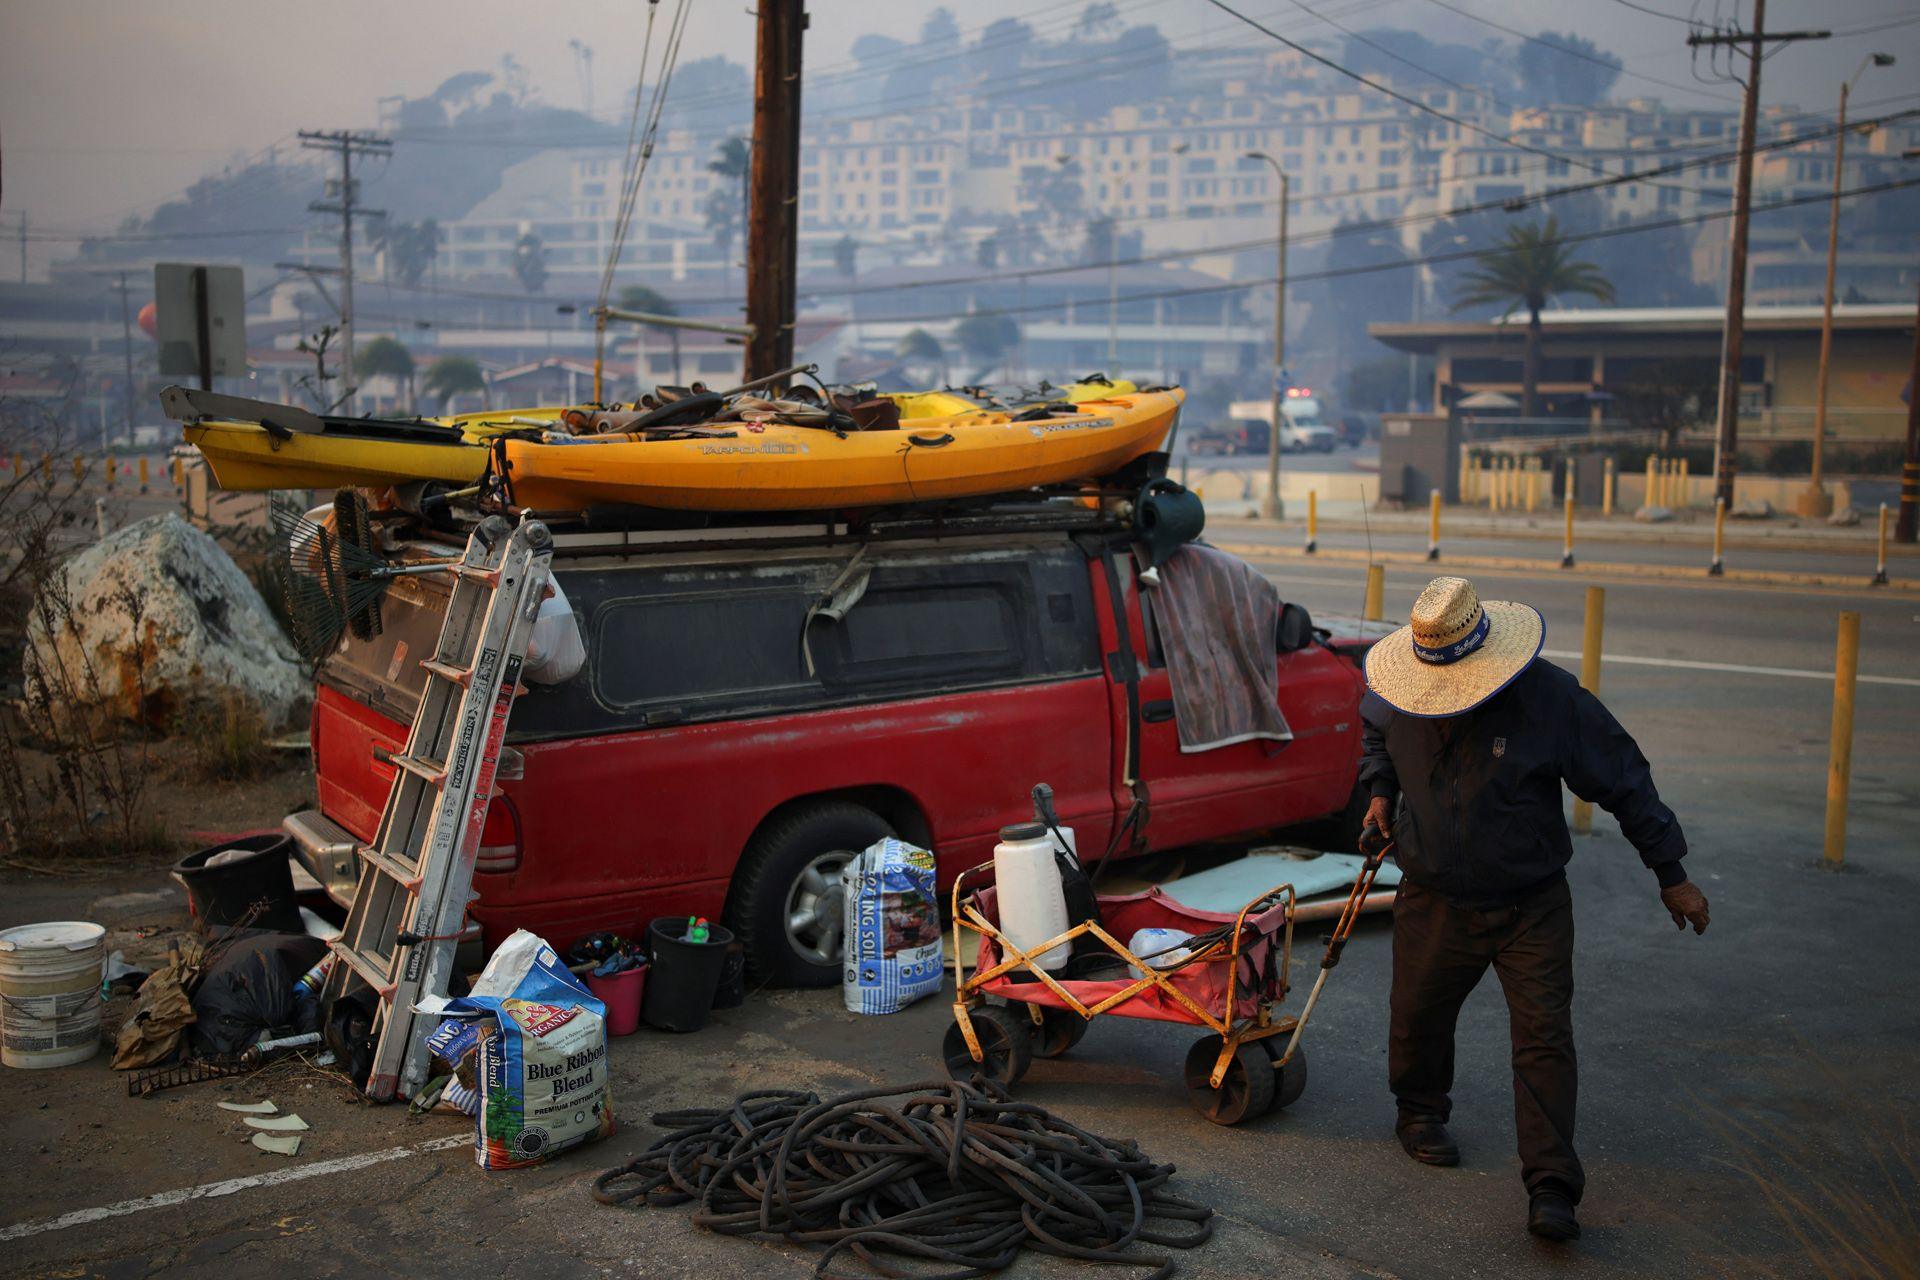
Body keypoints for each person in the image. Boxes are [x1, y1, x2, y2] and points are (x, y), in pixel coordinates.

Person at [1358, 576, 1710, 1243]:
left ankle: (1551, 1184)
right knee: (1418, 1015)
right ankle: (1419, 1112)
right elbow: (1377, 737)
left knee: (1545, 1038)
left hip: (1530, 902)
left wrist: (1670, 872)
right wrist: (1379, 795)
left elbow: (1623, 777)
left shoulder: (1549, 699)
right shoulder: (1396, 692)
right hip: (1433, 894)